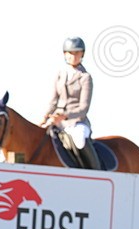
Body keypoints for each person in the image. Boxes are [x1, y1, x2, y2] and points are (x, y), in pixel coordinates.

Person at [40, 37, 98, 170]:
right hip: (56, 120)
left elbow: (84, 108)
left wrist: (65, 115)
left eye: (77, 53)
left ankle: (95, 171)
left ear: (82, 54)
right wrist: (44, 118)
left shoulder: (85, 77)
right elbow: (53, 101)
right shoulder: (60, 74)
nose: (74, 56)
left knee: (79, 138)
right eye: (70, 53)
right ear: (65, 54)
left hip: (76, 121)